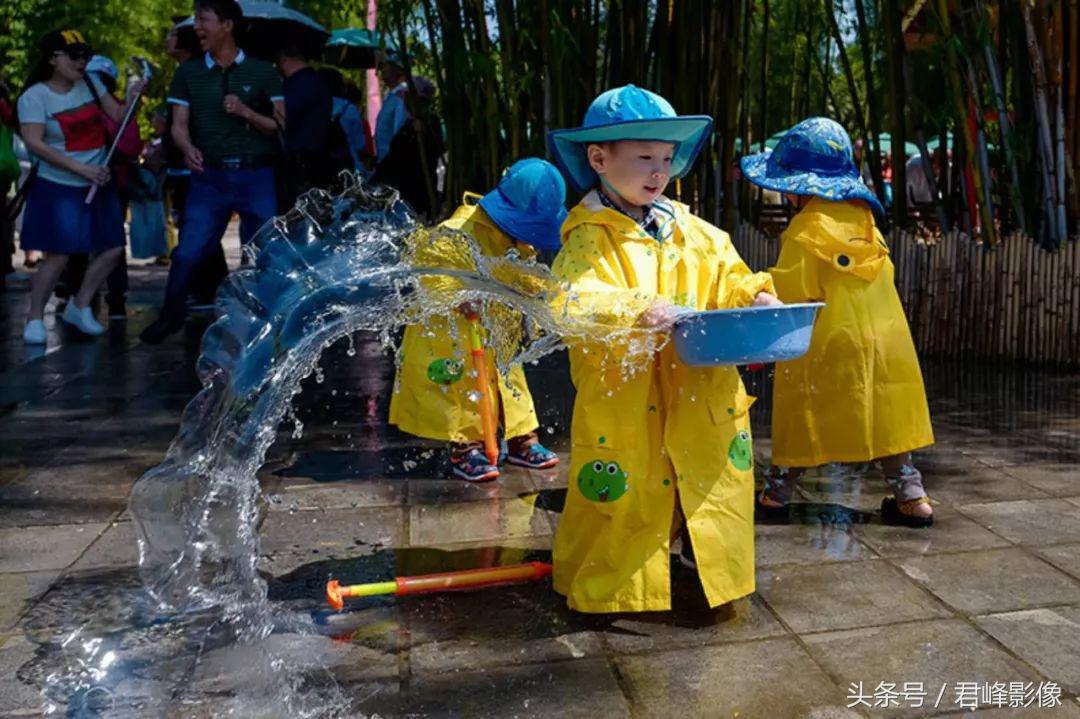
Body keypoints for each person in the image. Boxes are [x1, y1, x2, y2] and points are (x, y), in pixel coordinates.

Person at [546, 85, 781, 613]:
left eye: (667, 158)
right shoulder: (588, 237)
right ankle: (616, 587)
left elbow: (729, 274)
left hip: (701, 389)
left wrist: (756, 296)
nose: (659, 172)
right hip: (628, 398)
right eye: (645, 158)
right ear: (599, 159)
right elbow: (572, 299)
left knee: (711, 481)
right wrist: (638, 308)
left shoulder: (693, 231)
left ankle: (699, 556)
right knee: (626, 492)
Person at [740, 117, 935, 528]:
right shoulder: (865, 223)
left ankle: (776, 494)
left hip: (827, 341)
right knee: (886, 416)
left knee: (803, 411)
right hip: (885, 340)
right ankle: (912, 497)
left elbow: (790, 297)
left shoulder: (804, 230)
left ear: (799, 187)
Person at [389, 158, 564, 481]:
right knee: (461, 392)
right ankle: (465, 447)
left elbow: (525, 276)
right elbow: (430, 271)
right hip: (451, 335)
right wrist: (460, 295)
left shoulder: (516, 239)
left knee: (511, 384)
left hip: (496, 329)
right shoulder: (456, 231)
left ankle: (522, 437)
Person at [141, 0, 284, 344]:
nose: (197, 28)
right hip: (210, 177)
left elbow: (279, 124)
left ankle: (273, 322)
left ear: (227, 25)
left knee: (266, 250)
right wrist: (187, 147)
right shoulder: (188, 73)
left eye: (203, 20)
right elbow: (178, 124)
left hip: (256, 175)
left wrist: (246, 112)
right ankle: (171, 315)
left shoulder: (263, 71)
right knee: (188, 251)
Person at [17, 29, 141, 344]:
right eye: (74, 55)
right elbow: (34, 143)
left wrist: (132, 96)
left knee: (113, 246)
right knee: (58, 255)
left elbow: (118, 115)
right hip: (59, 184)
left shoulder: (91, 83)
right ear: (52, 59)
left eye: (86, 55)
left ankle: (80, 304)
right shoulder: (34, 97)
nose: (82, 61)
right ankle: (34, 317)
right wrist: (81, 169)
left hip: (97, 180)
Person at [56, 54, 143, 320]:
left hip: (96, 182)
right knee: (111, 242)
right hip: (108, 182)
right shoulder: (117, 108)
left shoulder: (85, 108)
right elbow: (133, 146)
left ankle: (79, 292)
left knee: (87, 240)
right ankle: (111, 299)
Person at [164, 14, 229, 306]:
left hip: (197, 167)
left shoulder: (200, 75)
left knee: (200, 231)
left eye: (172, 34)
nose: (167, 40)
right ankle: (204, 287)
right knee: (196, 230)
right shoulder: (186, 74)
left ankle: (207, 288)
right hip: (184, 166)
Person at [372, 52, 442, 219]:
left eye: (386, 67)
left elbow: (398, 130)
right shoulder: (395, 96)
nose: (382, 71)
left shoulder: (402, 95)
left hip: (401, 173)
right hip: (391, 165)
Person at [276, 44, 333, 208]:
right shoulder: (318, 82)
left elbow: (283, 115)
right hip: (317, 156)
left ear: (285, 59)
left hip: (299, 161)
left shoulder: (298, 85)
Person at [317, 67, 373, 172]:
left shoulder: (313, 108)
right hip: (349, 167)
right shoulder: (349, 109)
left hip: (321, 168)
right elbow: (360, 145)